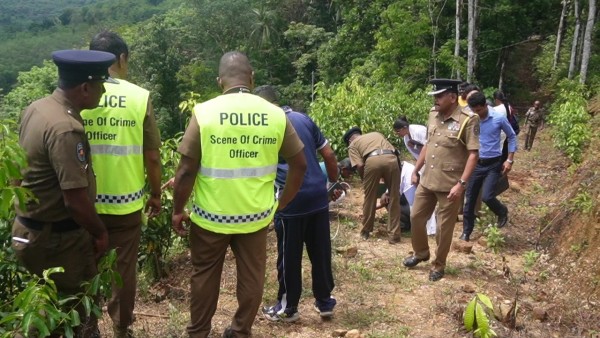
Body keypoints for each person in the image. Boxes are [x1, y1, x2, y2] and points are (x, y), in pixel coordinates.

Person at [170, 51, 306, 338]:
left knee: (204, 276)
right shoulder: (275, 114)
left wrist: (178, 209)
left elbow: (184, 171)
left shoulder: (204, 112)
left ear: (220, 81)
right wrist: (282, 203)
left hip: (210, 217)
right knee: (253, 278)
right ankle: (241, 330)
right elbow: (300, 164)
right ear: (252, 78)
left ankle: (198, 332)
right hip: (255, 217)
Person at [11, 50, 116, 337]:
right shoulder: (66, 129)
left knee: (45, 305)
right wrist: (100, 232)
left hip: (29, 229)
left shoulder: (37, 109)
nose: (104, 90)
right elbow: (75, 201)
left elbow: (16, 176)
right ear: (84, 88)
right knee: (77, 312)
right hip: (58, 239)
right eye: (100, 84)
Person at [82, 31, 162, 338]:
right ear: (122, 59)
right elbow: (152, 157)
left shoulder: (79, 91)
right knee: (123, 271)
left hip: (82, 203)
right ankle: (121, 328)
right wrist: (155, 193)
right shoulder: (139, 96)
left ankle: (87, 328)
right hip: (125, 204)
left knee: (84, 268)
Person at [254, 85, 338, 323]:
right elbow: (329, 156)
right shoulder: (303, 118)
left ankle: (288, 308)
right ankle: (325, 303)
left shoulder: (267, 124)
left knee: (289, 256)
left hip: (292, 198)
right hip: (318, 196)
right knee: (320, 251)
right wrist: (332, 185)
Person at [402, 78, 480, 282]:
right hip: (428, 179)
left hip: (450, 184)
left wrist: (461, 184)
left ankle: (439, 265)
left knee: (443, 228)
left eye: (439, 96)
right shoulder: (433, 115)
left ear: (453, 97)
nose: (435, 100)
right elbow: (428, 144)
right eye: (435, 96)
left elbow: (473, 154)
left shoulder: (467, 120)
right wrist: (416, 170)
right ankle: (420, 253)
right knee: (416, 217)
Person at [459, 92, 517, 241]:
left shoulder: (498, 118)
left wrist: (509, 160)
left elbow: (511, 136)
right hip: (476, 164)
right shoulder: (471, 119)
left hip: (493, 163)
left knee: (487, 196)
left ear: (485, 105)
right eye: (474, 111)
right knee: (470, 198)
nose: (477, 113)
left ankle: (501, 211)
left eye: (479, 110)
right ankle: (466, 232)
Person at [343, 127, 402, 243]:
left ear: (350, 140)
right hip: (392, 159)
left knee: (370, 197)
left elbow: (359, 166)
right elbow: (396, 152)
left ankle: (366, 231)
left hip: (372, 160)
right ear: (360, 134)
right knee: (394, 197)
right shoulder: (376, 134)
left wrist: (365, 181)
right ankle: (394, 236)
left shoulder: (352, 145)